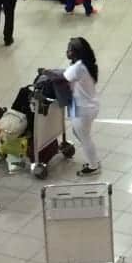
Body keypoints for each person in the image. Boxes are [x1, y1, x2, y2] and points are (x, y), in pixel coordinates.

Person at [51, 38, 101, 176]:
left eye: (69, 49)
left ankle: (93, 166)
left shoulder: (78, 67)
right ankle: (94, 159)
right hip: (89, 106)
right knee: (79, 133)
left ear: (76, 53)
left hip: (81, 109)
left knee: (84, 138)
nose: (67, 51)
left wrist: (45, 72)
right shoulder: (86, 64)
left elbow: (61, 77)